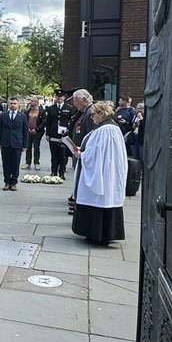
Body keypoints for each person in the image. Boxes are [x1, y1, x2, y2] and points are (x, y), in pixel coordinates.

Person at [72, 101, 128, 245]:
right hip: (105, 171)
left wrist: (81, 155)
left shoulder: (106, 130)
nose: (92, 118)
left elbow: (98, 155)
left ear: (101, 113)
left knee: (99, 199)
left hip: (103, 173)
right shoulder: (107, 128)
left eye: (93, 115)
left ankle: (98, 234)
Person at [0, 96, 30, 191]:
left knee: (15, 164)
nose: (13, 105)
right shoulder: (3, 115)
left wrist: (25, 145)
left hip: (17, 143)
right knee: (6, 164)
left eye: (15, 103)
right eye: (11, 103)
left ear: (18, 104)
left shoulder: (22, 116)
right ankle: (7, 182)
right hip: (6, 143)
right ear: (8, 104)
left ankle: (14, 182)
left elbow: (25, 131)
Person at [43, 90, 74, 179]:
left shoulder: (69, 108)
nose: (59, 99)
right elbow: (48, 122)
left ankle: (62, 173)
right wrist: (47, 134)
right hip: (54, 134)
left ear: (64, 98)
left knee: (63, 155)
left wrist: (69, 131)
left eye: (61, 97)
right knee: (54, 154)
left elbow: (71, 121)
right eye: (58, 97)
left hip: (64, 135)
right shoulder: (51, 108)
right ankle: (53, 171)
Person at [24, 96, 45, 169]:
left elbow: (43, 122)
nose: (31, 102)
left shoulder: (41, 111)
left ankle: (36, 162)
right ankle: (27, 162)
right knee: (28, 147)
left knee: (36, 147)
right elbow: (25, 120)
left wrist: (37, 129)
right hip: (28, 132)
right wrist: (27, 129)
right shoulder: (27, 111)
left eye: (32, 101)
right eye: (30, 101)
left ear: (36, 102)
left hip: (37, 132)